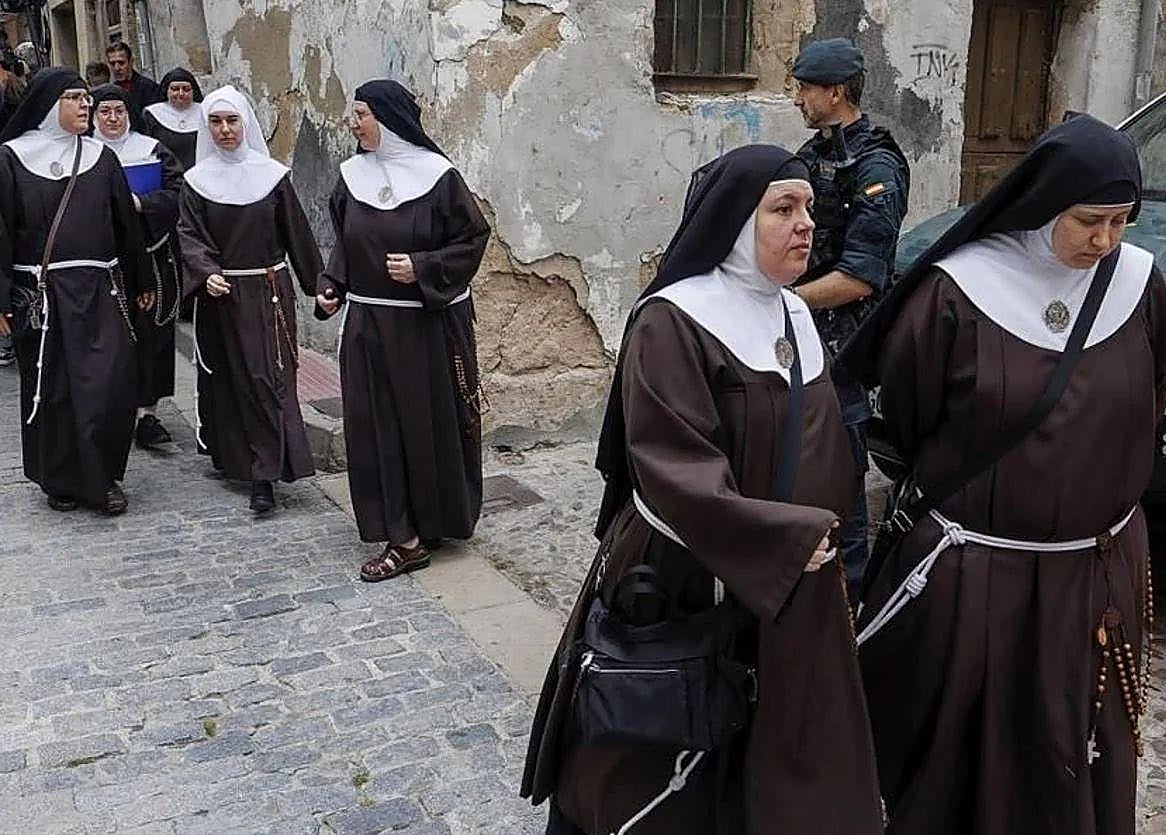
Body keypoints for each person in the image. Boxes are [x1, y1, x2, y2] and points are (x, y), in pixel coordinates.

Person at [522, 145, 883, 834]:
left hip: (790, 579)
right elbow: (674, 466)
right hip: (687, 573)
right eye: (783, 208)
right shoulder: (673, 320)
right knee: (664, 768)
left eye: (809, 207)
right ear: (735, 223)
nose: (805, 223)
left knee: (771, 763)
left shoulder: (794, 314)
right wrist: (784, 540)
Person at [844, 116, 1162, 834]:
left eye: (1121, 221)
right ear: (1047, 203)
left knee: (1078, 741)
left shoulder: (1140, 285)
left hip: (1096, 576)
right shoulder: (958, 291)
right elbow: (907, 422)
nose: (1107, 240)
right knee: (967, 747)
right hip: (980, 572)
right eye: (1089, 221)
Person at [315, 80, 490, 582]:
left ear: (388, 119)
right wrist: (333, 284)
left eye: (363, 113)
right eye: (354, 113)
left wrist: (422, 266)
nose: (354, 122)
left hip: (426, 329)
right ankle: (404, 538)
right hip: (369, 325)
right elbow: (344, 243)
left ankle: (430, 522)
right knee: (378, 429)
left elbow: (471, 239)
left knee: (428, 425)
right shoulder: (350, 178)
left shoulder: (439, 178)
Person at [791, 37, 910, 602]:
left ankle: (851, 614)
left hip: (843, 352)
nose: (797, 99)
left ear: (835, 92)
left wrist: (787, 303)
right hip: (800, 343)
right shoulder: (811, 156)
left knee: (841, 493)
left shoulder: (877, 163)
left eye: (804, 88)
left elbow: (862, 276)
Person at [0, 68, 151, 514]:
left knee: (108, 385)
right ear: (50, 104)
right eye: (74, 98)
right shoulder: (11, 159)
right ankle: (61, 479)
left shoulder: (102, 158)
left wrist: (141, 280)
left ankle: (104, 477)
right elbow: (1, 232)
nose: (86, 105)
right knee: (54, 389)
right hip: (40, 293)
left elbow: (125, 223)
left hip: (100, 289)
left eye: (87, 97)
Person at [177, 85, 323, 513]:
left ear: (246, 123)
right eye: (216, 122)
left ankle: (265, 475)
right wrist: (206, 273)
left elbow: (297, 233)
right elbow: (188, 235)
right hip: (221, 297)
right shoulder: (196, 182)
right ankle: (233, 458)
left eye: (232, 121)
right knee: (227, 381)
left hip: (267, 292)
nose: (224, 130)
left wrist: (321, 286)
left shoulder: (272, 177)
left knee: (267, 378)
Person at [90, 83, 184, 450]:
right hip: (105, 262)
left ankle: (148, 414)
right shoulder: (86, 155)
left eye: (119, 111)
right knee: (109, 339)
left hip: (153, 254)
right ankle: (113, 411)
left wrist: (141, 203)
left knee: (152, 335)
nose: (113, 119)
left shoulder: (151, 150)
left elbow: (178, 193)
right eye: (105, 112)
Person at [143, 68, 203, 170]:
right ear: (166, 90)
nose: (180, 93)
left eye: (186, 89)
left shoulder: (204, 112)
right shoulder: (151, 114)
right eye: (175, 89)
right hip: (167, 177)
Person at [106, 41, 160, 131]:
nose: (117, 68)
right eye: (112, 64)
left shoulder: (149, 88)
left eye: (121, 63)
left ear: (131, 62)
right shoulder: (109, 91)